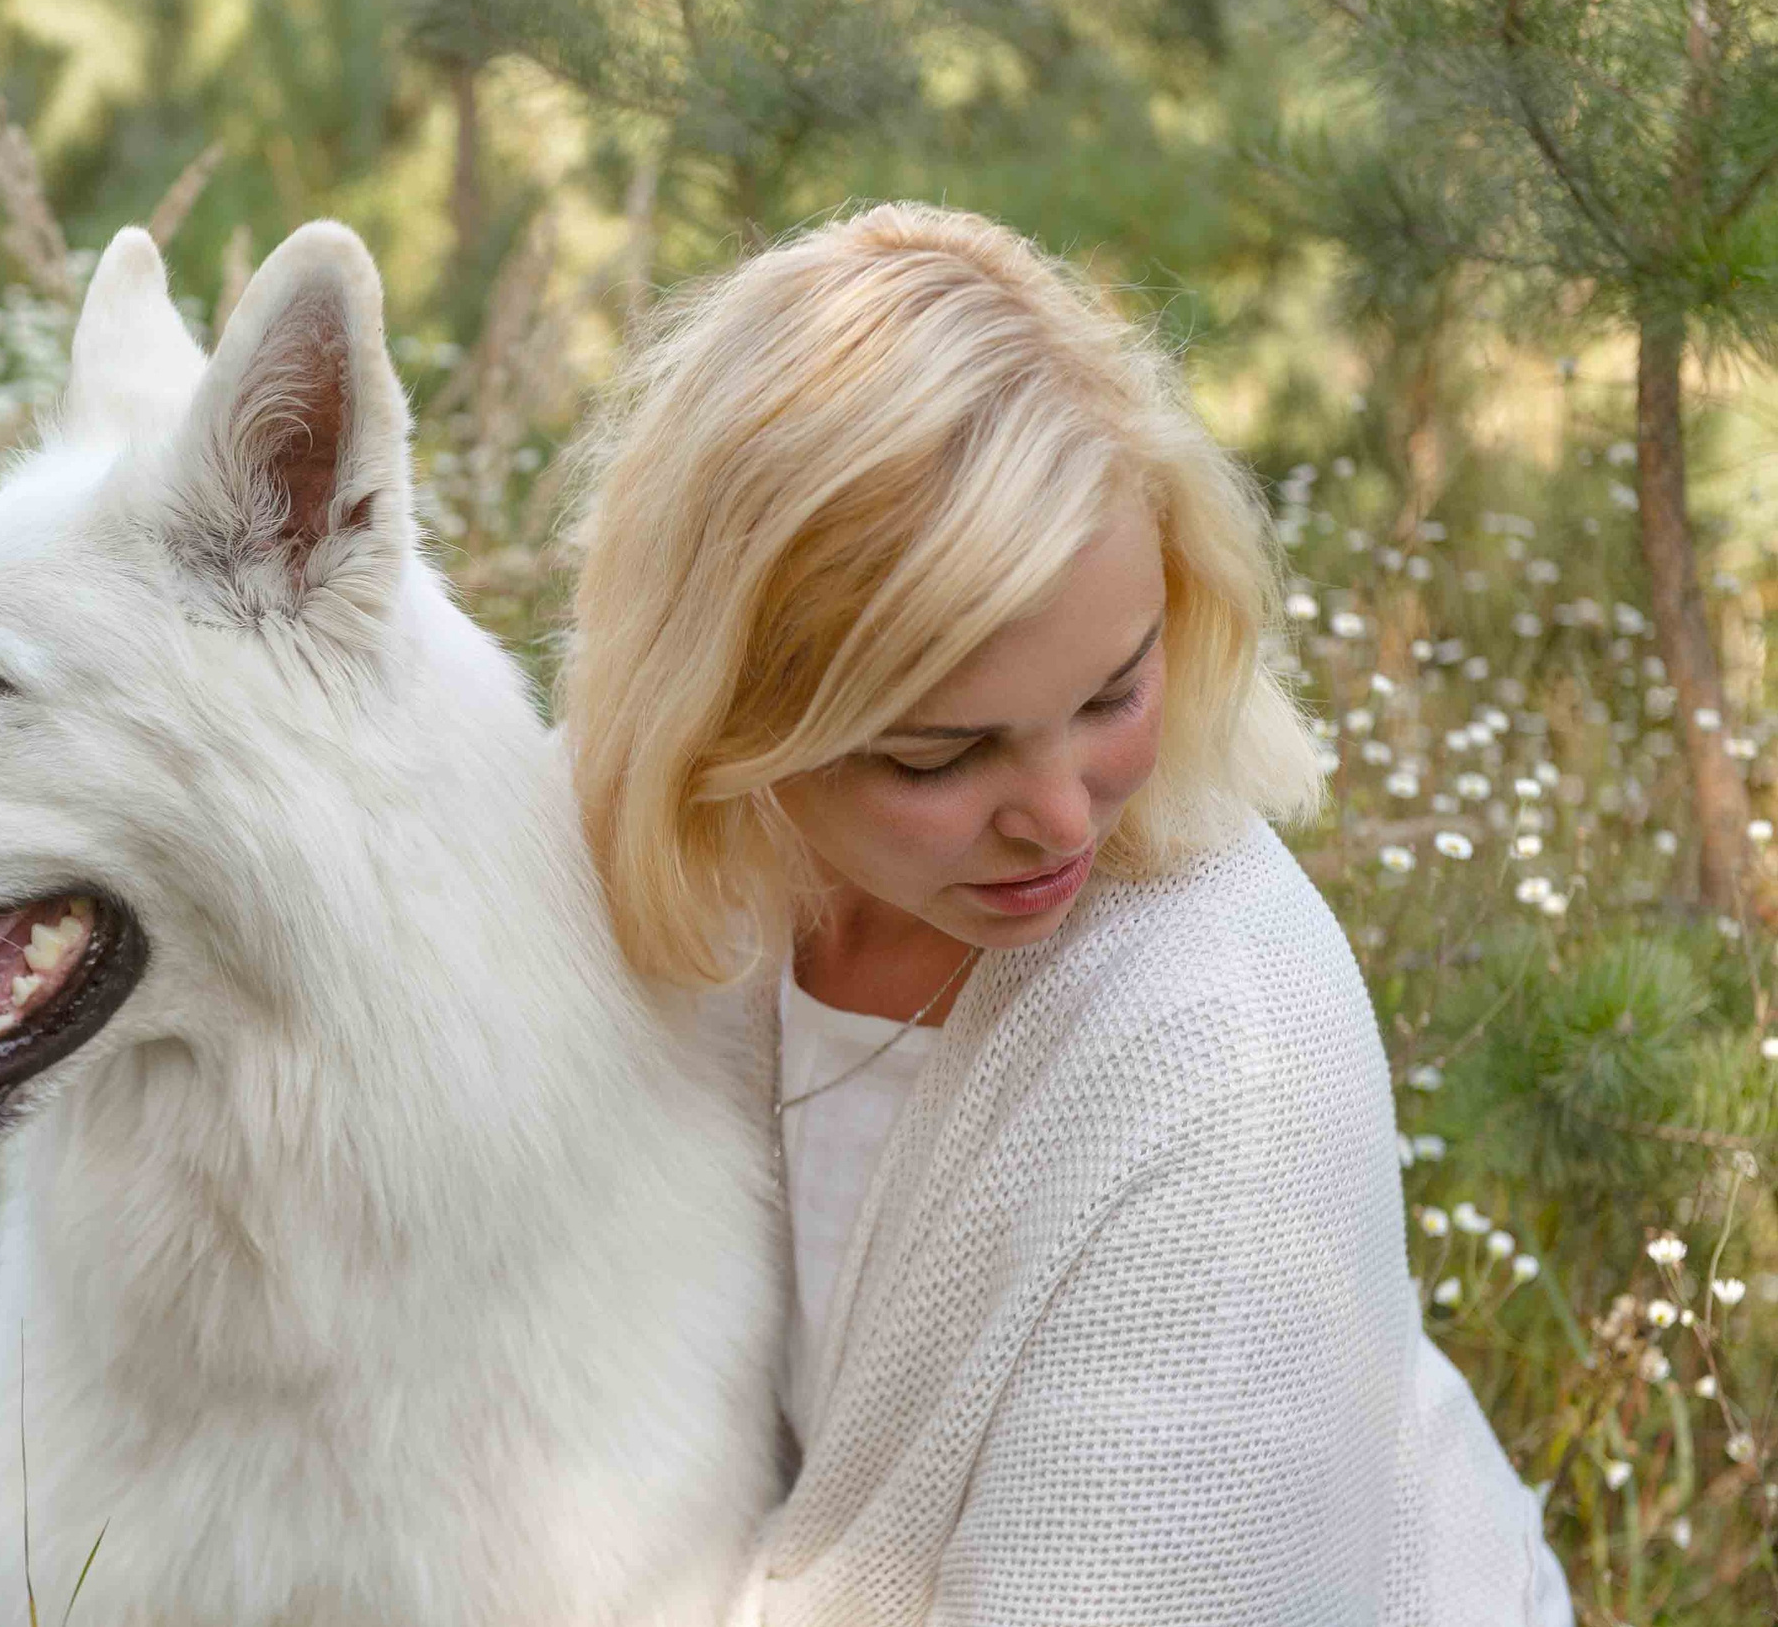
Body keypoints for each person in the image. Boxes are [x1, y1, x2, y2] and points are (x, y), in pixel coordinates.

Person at [555, 203, 1572, 1625]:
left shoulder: (1226, 1066)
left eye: (1114, 692)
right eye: (938, 753)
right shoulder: (693, 908)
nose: (1060, 815)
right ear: (734, 724)